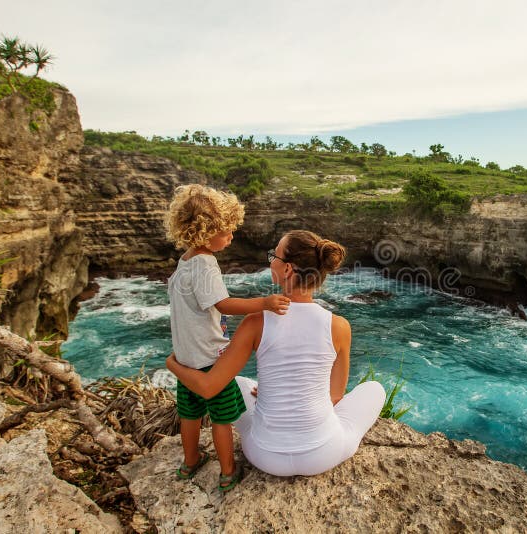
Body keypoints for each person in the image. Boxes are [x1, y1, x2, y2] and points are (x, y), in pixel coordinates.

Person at [166, 230, 386, 480]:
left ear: (288, 269)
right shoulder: (339, 326)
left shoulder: (255, 322)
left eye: (274, 256)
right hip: (323, 453)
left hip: (264, 456)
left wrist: (172, 364)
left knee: (237, 384)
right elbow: (335, 395)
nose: (270, 260)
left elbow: (208, 388)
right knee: (374, 389)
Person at [163, 184, 290, 491]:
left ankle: (190, 462)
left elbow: (196, 306)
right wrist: (264, 303)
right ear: (206, 233)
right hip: (210, 359)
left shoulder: (186, 260)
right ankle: (228, 472)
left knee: (190, 415)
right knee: (221, 419)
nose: (232, 236)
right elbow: (223, 304)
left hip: (186, 357)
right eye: (227, 231)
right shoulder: (206, 264)